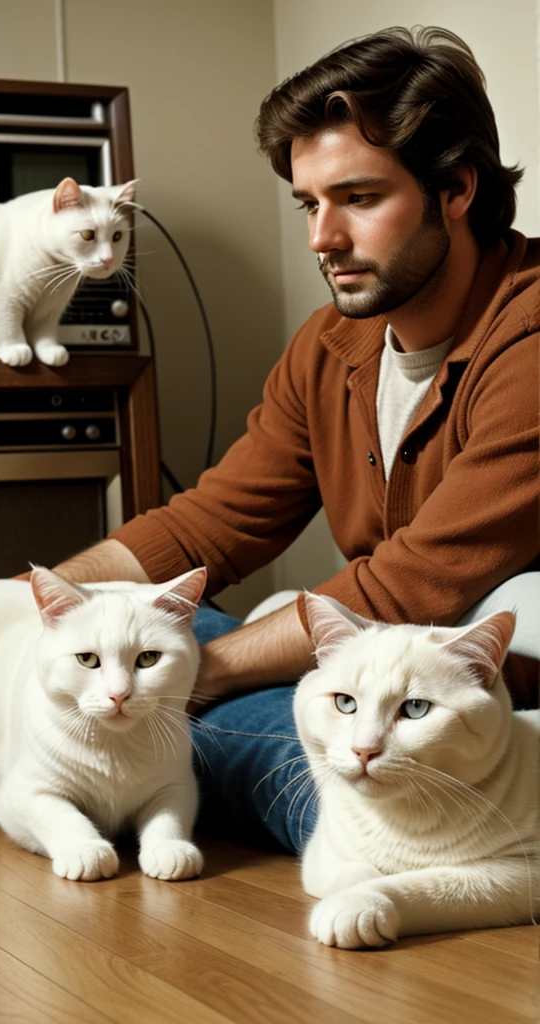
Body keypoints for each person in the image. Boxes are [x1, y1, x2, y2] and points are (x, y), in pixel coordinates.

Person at [50, 26, 540, 854]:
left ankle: (364, 816)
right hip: (384, 676)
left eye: (358, 198)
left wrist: (191, 681)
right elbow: (208, 527)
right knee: (236, 623)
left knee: (504, 617)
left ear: (456, 189)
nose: (323, 237)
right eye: (310, 204)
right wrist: (35, 616)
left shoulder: (528, 335)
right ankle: (350, 801)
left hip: (488, 650)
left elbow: (417, 586)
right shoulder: (328, 343)